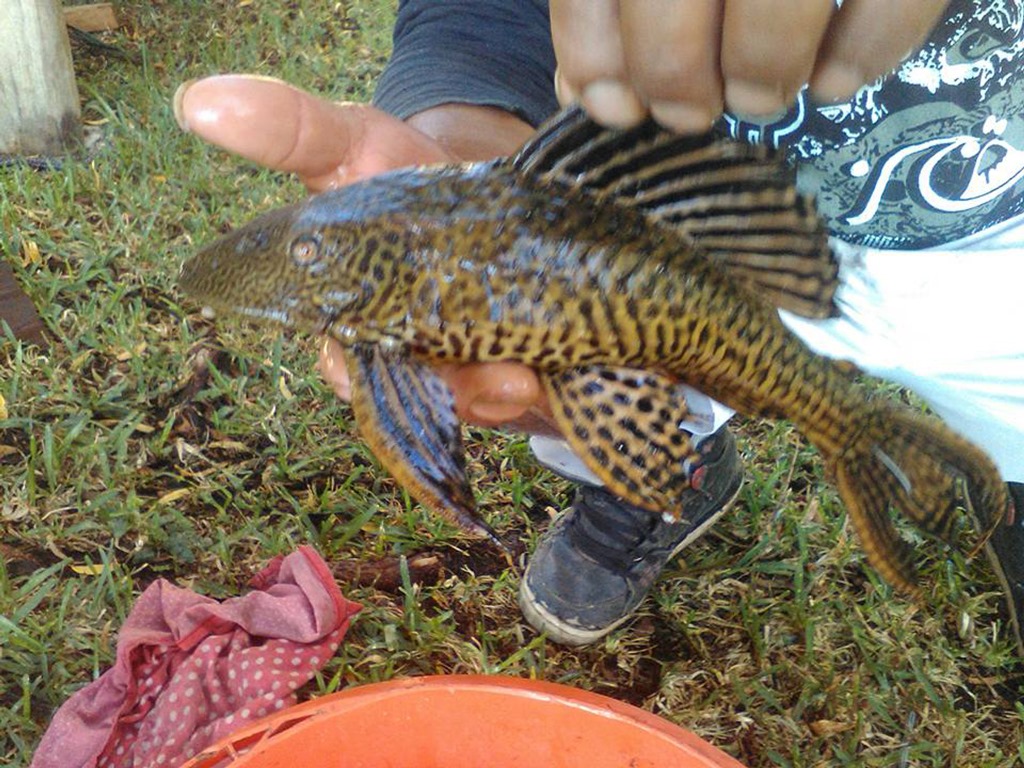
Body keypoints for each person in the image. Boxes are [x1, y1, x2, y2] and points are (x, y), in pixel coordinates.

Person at [174, 0, 1024, 650]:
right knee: (567, 383)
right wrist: (465, 128)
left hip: (999, 248)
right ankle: (664, 465)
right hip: (684, 235)